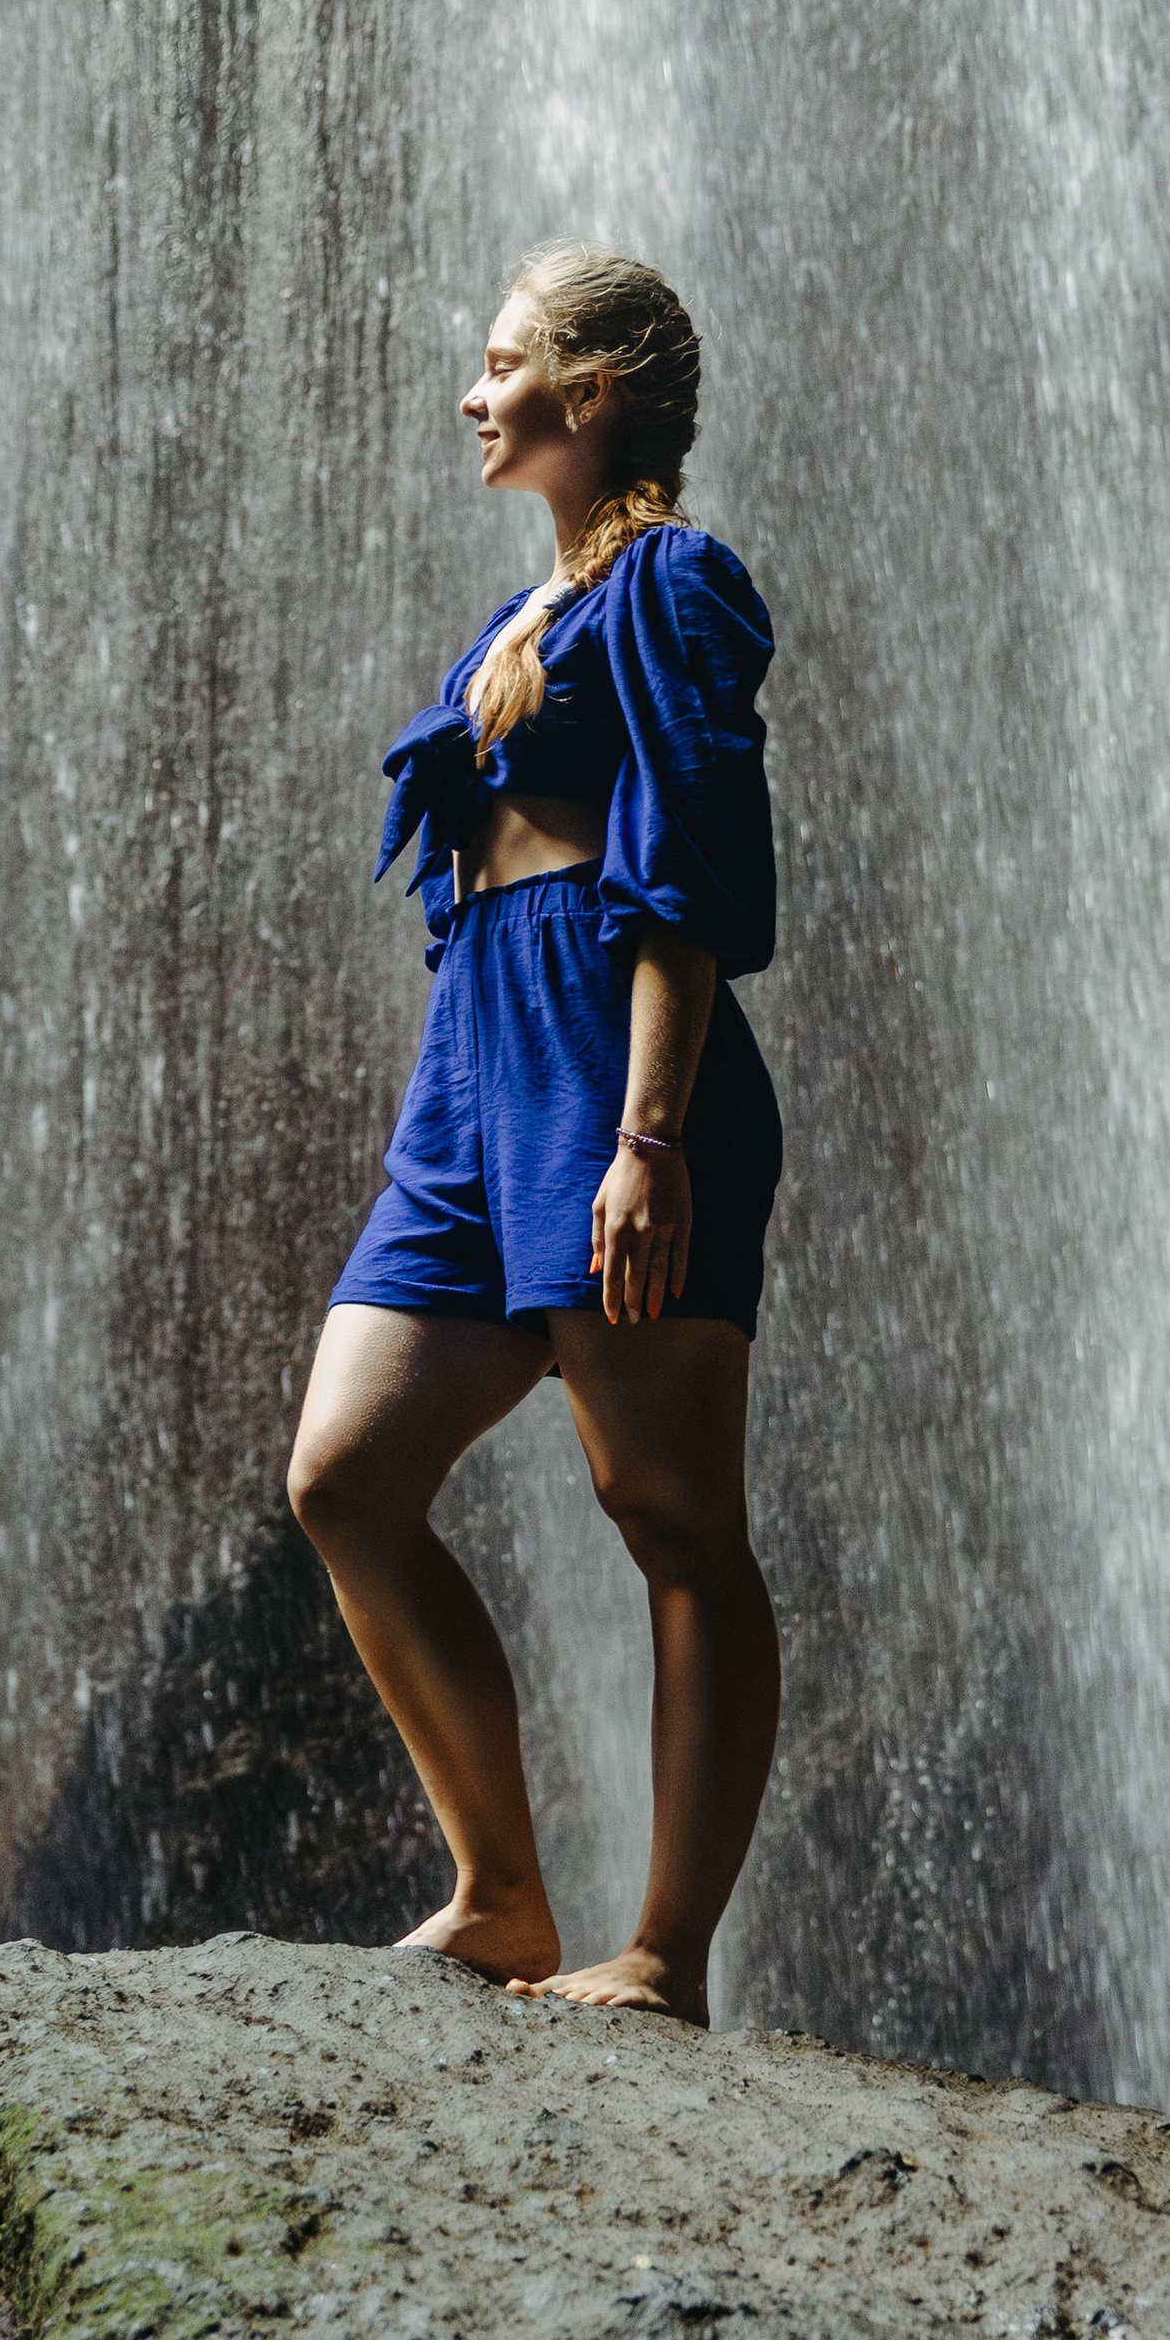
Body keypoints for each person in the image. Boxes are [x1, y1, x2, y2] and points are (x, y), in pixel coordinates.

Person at [287, 242, 784, 2025]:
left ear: (593, 391)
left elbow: (687, 868)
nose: (473, 394)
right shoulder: (534, 604)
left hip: (607, 1056)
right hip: (480, 1069)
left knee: (669, 1514)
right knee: (344, 1477)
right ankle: (498, 1892)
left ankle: (663, 1954)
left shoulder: (671, 581)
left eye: (503, 366)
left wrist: (650, 1136)